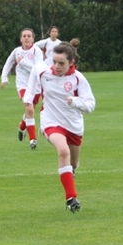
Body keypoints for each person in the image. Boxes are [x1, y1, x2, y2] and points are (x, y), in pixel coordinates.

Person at [23, 42, 95, 213]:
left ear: (71, 62)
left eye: (61, 63)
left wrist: (75, 101)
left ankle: (71, 172)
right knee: (63, 151)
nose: (56, 66)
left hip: (74, 125)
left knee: (74, 163)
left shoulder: (78, 79)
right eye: (54, 61)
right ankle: (71, 198)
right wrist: (28, 97)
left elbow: (91, 105)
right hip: (50, 121)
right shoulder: (43, 71)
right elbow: (34, 74)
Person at [0, 28, 45, 149]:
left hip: (36, 85)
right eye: (24, 36)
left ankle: (22, 126)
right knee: (29, 108)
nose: (26, 38)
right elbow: (8, 63)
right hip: (23, 85)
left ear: (33, 39)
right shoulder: (16, 51)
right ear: (20, 39)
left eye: (29, 36)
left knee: (30, 110)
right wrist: (4, 78)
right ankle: (33, 140)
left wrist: (23, 62)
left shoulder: (37, 52)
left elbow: (38, 69)